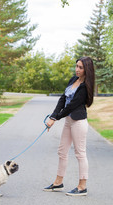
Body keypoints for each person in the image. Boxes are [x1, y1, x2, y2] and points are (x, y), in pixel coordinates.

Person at [44, 56, 95, 196]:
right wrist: (53, 115)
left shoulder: (85, 86)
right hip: (68, 121)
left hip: (78, 122)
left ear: (87, 70)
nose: (77, 69)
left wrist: (55, 119)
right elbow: (63, 99)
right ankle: (58, 182)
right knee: (62, 151)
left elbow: (71, 106)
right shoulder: (73, 80)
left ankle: (82, 186)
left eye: (80, 67)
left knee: (80, 153)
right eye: (76, 66)